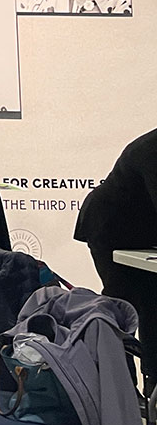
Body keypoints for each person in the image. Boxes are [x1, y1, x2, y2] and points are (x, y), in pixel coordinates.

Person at [74, 128, 157, 400]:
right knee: (122, 308)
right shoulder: (151, 148)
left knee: (151, 308)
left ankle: (150, 389)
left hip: (142, 232)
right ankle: (119, 394)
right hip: (111, 228)